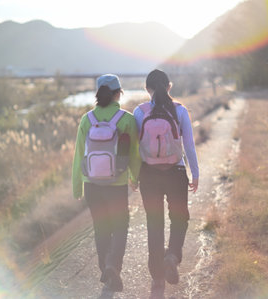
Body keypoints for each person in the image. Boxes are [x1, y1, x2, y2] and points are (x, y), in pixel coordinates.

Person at [72, 74, 141, 299]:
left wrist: (77, 187)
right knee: (120, 226)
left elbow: (78, 156)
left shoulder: (86, 120)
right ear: (118, 93)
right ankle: (113, 265)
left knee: (101, 228)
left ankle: (105, 270)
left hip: (92, 184)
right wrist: (134, 178)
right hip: (116, 184)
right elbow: (134, 155)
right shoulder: (126, 119)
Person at [133, 69, 199, 299]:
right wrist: (196, 173)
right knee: (180, 218)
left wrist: (133, 176)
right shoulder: (179, 110)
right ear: (169, 87)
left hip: (148, 174)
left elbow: (134, 149)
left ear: (147, 89)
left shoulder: (139, 112)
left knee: (154, 223)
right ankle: (172, 256)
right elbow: (189, 145)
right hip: (176, 172)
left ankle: (157, 276)